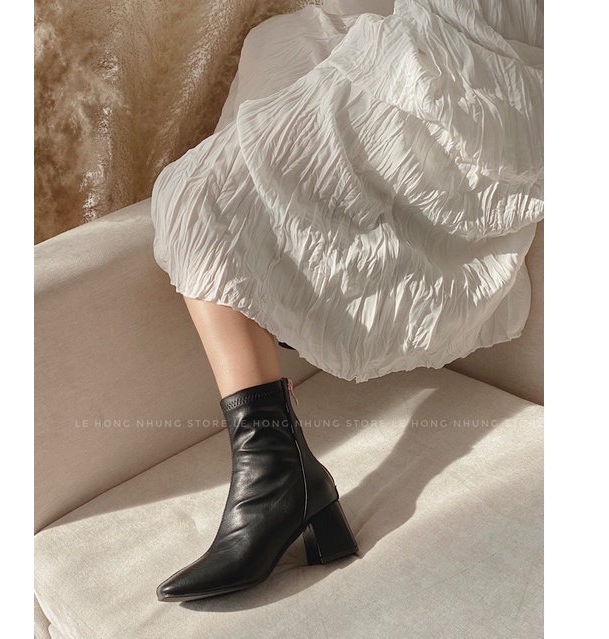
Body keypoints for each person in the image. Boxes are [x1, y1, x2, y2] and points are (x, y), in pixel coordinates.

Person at [150, 0, 544, 602]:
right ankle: (283, 475)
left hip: (487, 59)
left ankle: (276, 479)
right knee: (274, 46)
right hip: (417, 27)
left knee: (200, 194)